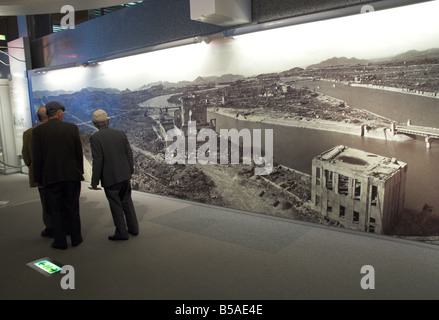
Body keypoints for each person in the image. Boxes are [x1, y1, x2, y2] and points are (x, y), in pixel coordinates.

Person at [32, 101, 84, 249]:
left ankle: (60, 241)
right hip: (71, 176)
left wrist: (37, 178)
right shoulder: (72, 128)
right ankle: (76, 238)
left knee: (55, 210)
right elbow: (78, 153)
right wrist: (79, 171)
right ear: (60, 114)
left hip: (51, 177)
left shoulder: (38, 132)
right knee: (73, 207)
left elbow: (37, 157)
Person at [90, 109, 139, 241]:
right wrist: (130, 170)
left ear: (95, 124)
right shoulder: (120, 134)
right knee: (127, 201)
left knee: (115, 205)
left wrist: (94, 181)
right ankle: (133, 228)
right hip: (124, 175)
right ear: (108, 121)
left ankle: (121, 233)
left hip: (110, 178)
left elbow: (98, 160)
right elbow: (129, 153)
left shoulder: (95, 138)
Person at [22, 106, 53, 238]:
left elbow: (26, 154)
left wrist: (32, 167)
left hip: (40, 176)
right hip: (56, 173)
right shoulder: (54, 131)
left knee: (46, 203)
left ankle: (50, 228)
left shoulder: (29, 133)